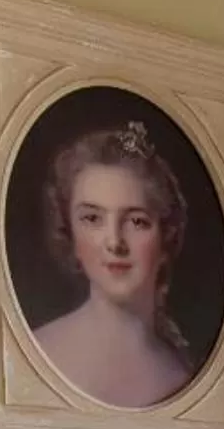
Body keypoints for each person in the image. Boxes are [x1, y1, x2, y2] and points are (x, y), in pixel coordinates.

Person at [30, 120, 197, 408]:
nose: (114, 242)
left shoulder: (182, 377)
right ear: (69, 231)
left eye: (136, 221)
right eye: (92, 219)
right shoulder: (38, 353)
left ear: (166, 237)